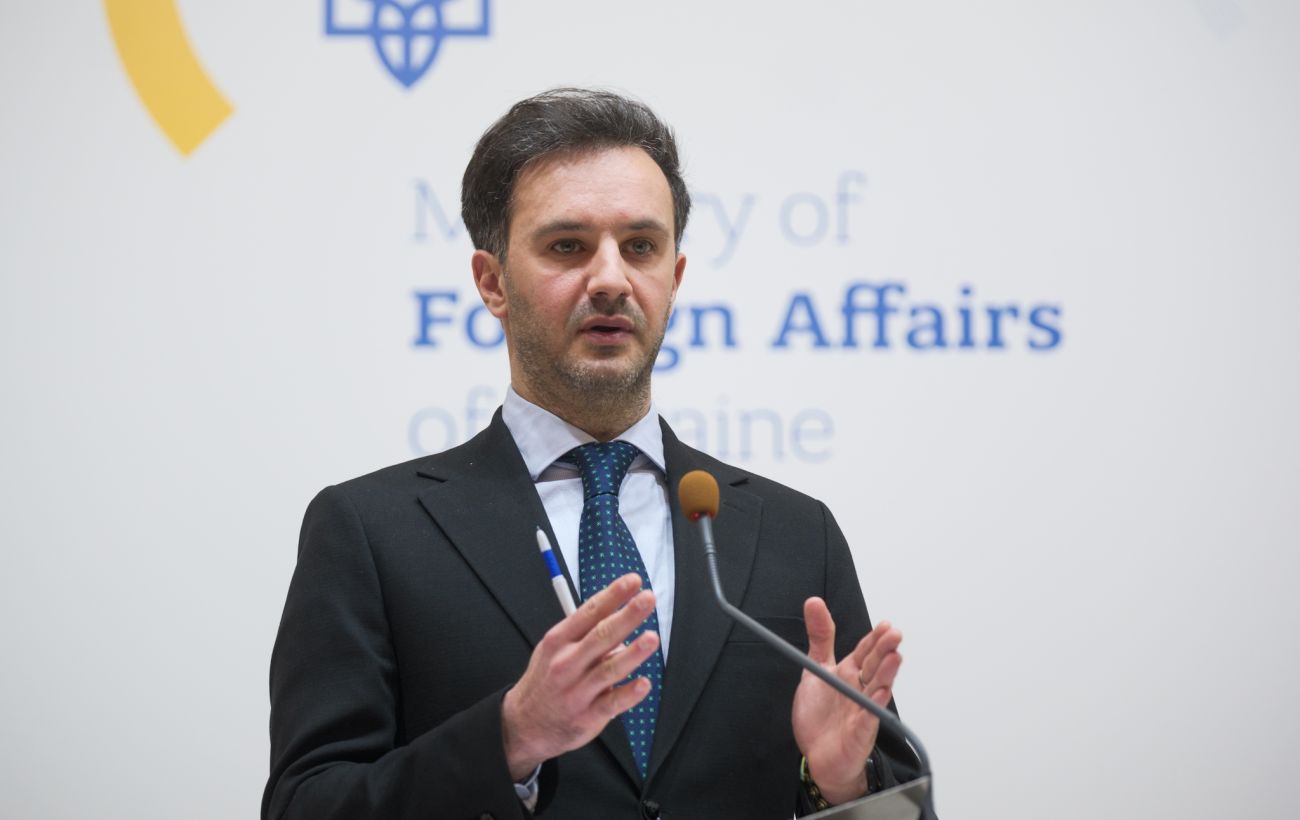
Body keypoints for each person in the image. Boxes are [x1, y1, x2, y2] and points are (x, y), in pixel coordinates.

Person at [263, 88, 925, 820]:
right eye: (567, 246)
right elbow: (304, 807)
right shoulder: (372, 532)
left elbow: (898, 810)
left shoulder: (796, 536)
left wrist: (843, 785)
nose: (611, 279)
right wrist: (509, 738)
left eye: (640, 247)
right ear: (492, 283)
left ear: (674, 280)